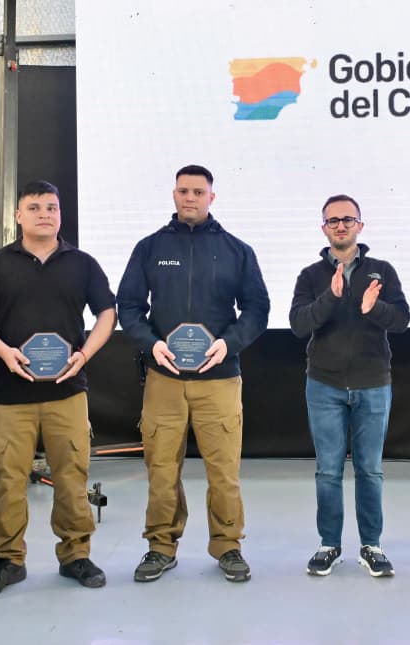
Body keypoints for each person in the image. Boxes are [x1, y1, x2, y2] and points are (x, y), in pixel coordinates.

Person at [0, 180, 116, 599]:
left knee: (72, 477)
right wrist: (2, 350)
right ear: (18, 215)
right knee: (8, 480)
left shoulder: (82, 263)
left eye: (51, 207)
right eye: (34, 207)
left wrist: (84, 354)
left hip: (68, 392)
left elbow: (107, 312)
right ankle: (8, 560)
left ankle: (76, 555)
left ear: (60, 214)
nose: (44, 214)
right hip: (10, 395)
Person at [117, 164, 270, 583]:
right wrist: (152, 344)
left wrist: (228, 344)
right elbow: (128, 306)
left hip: (219, 379)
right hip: (164, 379)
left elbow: (257, 308)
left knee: (224, 471)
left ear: (211, 197)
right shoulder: (149, 248)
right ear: (174, 194)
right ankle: (160, 547)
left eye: (198, 192)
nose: (190, 197)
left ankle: (228, 546)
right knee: (161, 468)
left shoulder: (236, 250)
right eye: (184, 191)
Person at [289, 194, 410, 577]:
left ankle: (371, 546)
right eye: (333, 221)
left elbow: (402, 320)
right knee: (328, 471)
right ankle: (329, 544)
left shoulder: (382, 271)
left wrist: (374, 308)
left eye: (347, 219)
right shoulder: (310, 276)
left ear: (360, 225)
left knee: (370, 469)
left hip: (373, 384)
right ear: (324, 228)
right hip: (323, 385)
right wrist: (332, 296)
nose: (340, 226)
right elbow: (298, 324)